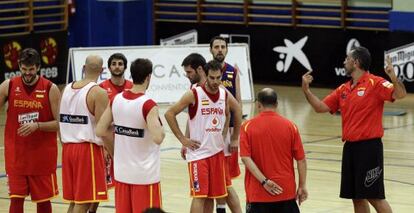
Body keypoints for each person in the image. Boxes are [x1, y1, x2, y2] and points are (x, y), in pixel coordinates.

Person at [302, 46, 406, 213]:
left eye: (347, 59)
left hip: (369, 148)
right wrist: (306, 91)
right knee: (356, 197)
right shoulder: (344, 88)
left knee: (374, 196)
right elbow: (320, 107)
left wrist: (393, 77)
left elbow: (400, 94)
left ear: (356, 62)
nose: (344, 61)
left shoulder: (375, 82)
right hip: (350, 148)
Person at [165, 60, 239, 213]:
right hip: (199, 155)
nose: (215, 81)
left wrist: (224, 133)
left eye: (218, 78)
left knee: (215, 195)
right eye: (212, 78)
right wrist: (183, 139)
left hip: (217, 153)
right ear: (206, 75)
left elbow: (228, 112)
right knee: (199, 195)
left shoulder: (224, 94)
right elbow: (169, 113)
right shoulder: (194, 94)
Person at [96, 58, 165, 213]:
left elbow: (100, 130)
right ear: (148, 77)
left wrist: (114, 151)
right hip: (144, 176)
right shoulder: (148, 104)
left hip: (121, 173)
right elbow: (158, 138)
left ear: (131, 75)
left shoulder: (116, 99)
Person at [0, 48, 60, 213]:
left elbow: (61, 123)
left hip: (42, 158)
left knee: (43, 202)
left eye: (31, 69)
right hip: (16, 156)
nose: (27, 73)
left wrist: (38, 125)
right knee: (16, 201)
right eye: (24, 69)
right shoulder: (9, 85)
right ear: (19, 66)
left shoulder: (50, 88)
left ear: (38, 67)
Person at [240, 88, 307, 213]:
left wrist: (264, 182)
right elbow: (301, 160)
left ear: (258, 104)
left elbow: (245, 158)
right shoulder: (291, 126)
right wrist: (302, 186)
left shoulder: (247, 127)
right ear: (276, 104)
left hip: (258, 194)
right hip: (286, 193)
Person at [59, 55, 109, 213]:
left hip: (67, 148)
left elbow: (59, 120)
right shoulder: (98, 92)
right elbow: (104, 129)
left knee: (75, 201)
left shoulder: (66, 88)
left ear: (83, 68)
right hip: (87, 150)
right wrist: (111, 150)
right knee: (84, 202)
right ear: (102, 71)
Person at [90, 53, 133, 213]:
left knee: (126, 180)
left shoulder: (132, 86)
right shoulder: (100, 89)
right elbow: (96, 119)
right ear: (108, 68)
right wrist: (105, 145)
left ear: (125, 67)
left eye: (120, 64)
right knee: (102, 184)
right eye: (114, 64)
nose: (117, 66)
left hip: (128, 141)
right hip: (107, 142)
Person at [210, 35, 243, 213]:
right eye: (217, 47)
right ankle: (221, 208)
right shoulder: (205, 71)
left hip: (228, 131)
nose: (220, 50)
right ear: (211, 50)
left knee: (224, 176)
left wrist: (237, 136)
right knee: (217, 175)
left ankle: (222, 208)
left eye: (223, 47)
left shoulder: (233, 71)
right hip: (210, 129)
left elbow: (238, 104)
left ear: (227, 50)